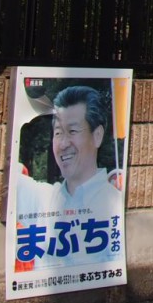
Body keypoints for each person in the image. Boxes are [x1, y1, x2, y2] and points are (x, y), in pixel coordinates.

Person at [11, 85, 125, 269]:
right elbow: (9, 176)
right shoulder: (44, 198)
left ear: (97, 135)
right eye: (58, 133)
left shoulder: (115, 202)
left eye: (72, 131)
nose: (63, 144)